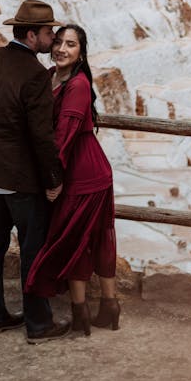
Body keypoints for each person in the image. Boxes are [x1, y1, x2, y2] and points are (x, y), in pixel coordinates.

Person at [0, 0, 71, 344]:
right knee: (32, 251)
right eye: (48, 32)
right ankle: (39, 325)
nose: (53, 38)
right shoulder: (36, 75)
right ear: (30, 34)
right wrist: (53, 179)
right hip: (20, 180)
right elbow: (42, 137)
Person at [25, 24, 119, 334]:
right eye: (59, 42)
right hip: (86, 170)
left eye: (71, 44)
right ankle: (104, 309)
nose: (62, 49)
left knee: (78, 240)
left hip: (84, 174)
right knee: (85, 238)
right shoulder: (52, 75)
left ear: (81, 52)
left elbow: (63, 136)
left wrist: (54, 178)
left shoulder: (77, 84)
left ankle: (87, 312)